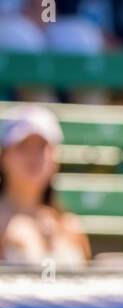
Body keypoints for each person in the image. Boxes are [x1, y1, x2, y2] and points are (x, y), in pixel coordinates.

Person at [0, 103, 89, 266]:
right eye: (23, 146)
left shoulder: (70, 225)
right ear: (4, 156)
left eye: (42, 147)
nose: (33, 156)